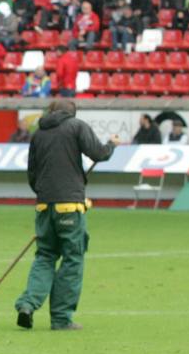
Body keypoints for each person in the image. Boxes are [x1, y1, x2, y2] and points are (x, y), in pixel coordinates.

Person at [12, 99, 119, 332]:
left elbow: (32, 172)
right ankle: (61, 318)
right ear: (72, 113)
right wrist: (111, 145)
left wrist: (44, 195)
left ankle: (28, 304)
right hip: (70, 205)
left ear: (51, 112)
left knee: (45, 256)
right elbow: (99, 153)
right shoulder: (76, 126)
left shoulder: (38, 133)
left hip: (44, 205)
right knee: (72, 259)